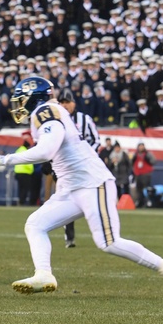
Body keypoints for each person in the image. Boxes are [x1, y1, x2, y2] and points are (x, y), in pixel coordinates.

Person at [0, 76, 163, 300]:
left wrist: (3, 159)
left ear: (33, 98)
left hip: (91, 183)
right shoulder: (49, 111)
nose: (18, 104)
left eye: (21, 99)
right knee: (35, 224)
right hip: (71, 187)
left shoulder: (44, 111)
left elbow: (46, 151)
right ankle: (44, 274)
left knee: (108, 241)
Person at [56, 89, 99, 248]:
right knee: (65, 200)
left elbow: (96, 140)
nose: (65, 105)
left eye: (67, 102)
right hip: (65, 170)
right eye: (62, 102)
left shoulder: (84, 119)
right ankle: (69, 236)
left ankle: (99, 234)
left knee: (89, 200)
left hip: (85, 167)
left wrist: (86, 158)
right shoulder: (56, 121)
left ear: (74, 103)